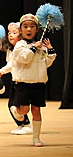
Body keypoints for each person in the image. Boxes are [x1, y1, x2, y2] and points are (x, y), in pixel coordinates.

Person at [10, 13, 56, 147]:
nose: (29, 29)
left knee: (36, 110)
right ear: (21, 30)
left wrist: (50, 53)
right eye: (25, 26)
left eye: (32, 27)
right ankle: (16, 111)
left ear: (37, 29)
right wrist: (34, 47)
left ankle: (36, 138)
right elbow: (25, 58)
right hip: (23, 83)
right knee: (24, 110)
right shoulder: (19, 45)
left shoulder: (40, 45)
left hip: (39, 83)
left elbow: (45, 63)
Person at [0, 22, 32, 135]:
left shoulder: (22, 48)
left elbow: (13, 64)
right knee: (11, 105)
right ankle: (21, 125)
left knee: (18, 104)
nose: (11, 35)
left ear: (21, 35)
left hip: (23, 80)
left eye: (14, 33)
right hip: (15, 80)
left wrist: (1, 71)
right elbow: (10, 64)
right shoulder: (11, 49)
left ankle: (27, 125)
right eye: (9, 33)